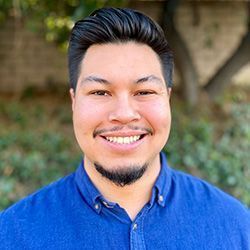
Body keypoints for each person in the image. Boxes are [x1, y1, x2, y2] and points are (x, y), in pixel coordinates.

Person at [0, 7, 249, 250]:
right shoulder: (14, 234)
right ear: (74, 101)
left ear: (167, 99)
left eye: (144, 92)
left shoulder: (235, 227)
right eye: (100, 92)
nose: (123, 114)